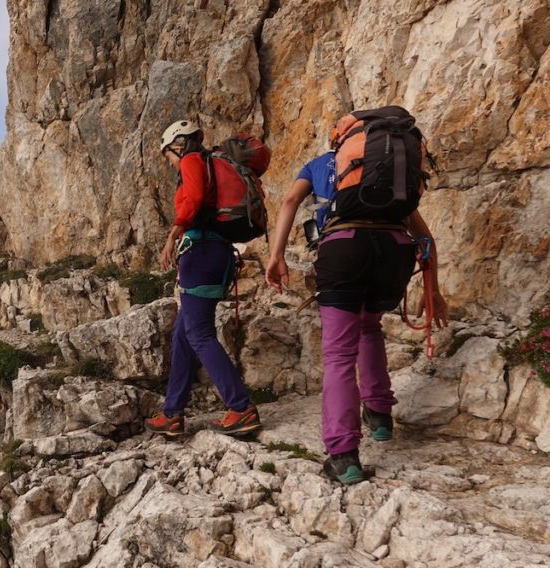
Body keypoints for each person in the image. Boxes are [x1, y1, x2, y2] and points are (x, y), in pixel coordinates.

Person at [265, 147, 449, 484]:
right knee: (369, 326)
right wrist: (433, 291)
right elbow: (425, 236)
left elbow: (290, 201)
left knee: (338, 355)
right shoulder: (390, 167)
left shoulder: (320, 164)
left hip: (343, 249)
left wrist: (276, 255)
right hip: (393, 252)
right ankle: (379, 416)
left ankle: (343, 455)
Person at [144, 120, 263, 437]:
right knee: (183, 335)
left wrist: (172, 236)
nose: (170, 161)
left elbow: (193, 200)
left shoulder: (192, 160)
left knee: (198, 334)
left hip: (200, 253)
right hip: (216, 251)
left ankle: (240, 407)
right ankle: (172, 413)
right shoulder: (207, 162)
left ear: (177, 145)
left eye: (168, 154)